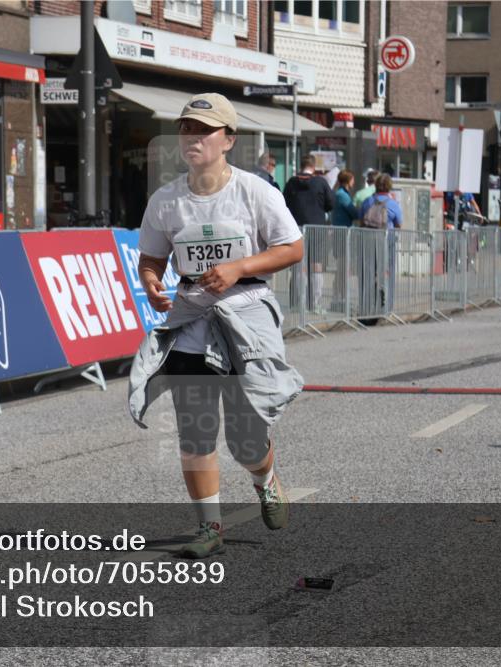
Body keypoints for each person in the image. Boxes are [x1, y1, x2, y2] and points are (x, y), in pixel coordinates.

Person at [129, 93, 305, 559]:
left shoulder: (255, 192)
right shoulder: (166, 200)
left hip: (246, 310)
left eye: (204, 130)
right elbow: (151, 258)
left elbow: (292, 248)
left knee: (246, 436)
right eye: (186, 129)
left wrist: (237, 267)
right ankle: (209, 528)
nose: (192, 138)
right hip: (192, 316)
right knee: (195, 428)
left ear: (228, 139)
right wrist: (151, 282)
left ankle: (264, 477)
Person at [283, 154, 334, 313]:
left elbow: (283, 203)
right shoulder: (320, 182)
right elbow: (330, 204)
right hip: (317, 229)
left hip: (295, 229)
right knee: (316, 266)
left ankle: (297, 304)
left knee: (298, 266)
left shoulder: (291, 183)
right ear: (313, 166)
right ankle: (315, 304)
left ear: (301, 165)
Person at [357, 174, 402, 323]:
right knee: (385, 273)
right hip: (385, 242)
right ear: (389, 186)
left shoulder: (368, 201)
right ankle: (385, 306)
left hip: (368, 241)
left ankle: (366, 306)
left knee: (367, 274)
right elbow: (398, 224)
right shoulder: (393, 204)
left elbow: (361, 220)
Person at [330, 170, 359, 312]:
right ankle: (340, 299)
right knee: (342, 269)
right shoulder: (342, 195)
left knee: (341, 269)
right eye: (352, 180)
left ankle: (339, 298)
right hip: (342, 236)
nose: (354, 182)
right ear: (348, 181)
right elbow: (354, 213)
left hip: (340, 234)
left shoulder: (340, 194)